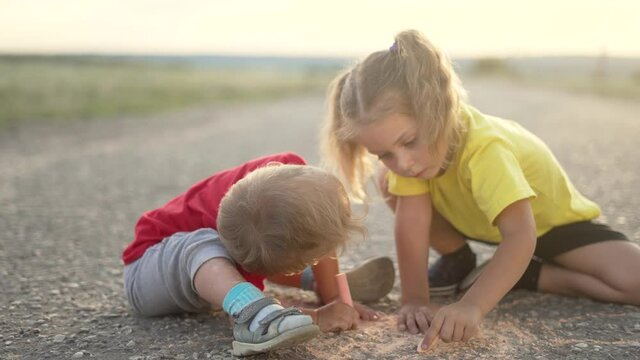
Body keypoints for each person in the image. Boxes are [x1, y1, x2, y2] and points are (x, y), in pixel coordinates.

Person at [321, 29, 640, 351]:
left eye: (408, 141)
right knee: (389, 183)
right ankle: (459, 258)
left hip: (552, 227)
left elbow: (521, 236)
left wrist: (473, 305)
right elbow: (412, 224)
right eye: (384, 154)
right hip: (485, 224)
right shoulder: (415, 158)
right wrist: (415, 300)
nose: (403, 162)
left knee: (635, 283)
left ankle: (531, 275)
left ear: (437, 109)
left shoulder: (486, 149)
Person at [121, 152, 395, 356]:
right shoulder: (249, 241)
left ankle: (311, 279)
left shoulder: (290, 179)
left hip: (220, 272)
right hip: (147, 271)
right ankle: (257, 307)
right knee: (205, 245)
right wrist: (319, 317)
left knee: (297, 235)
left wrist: (334, 296)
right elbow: (238, 317)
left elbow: (317, 226)